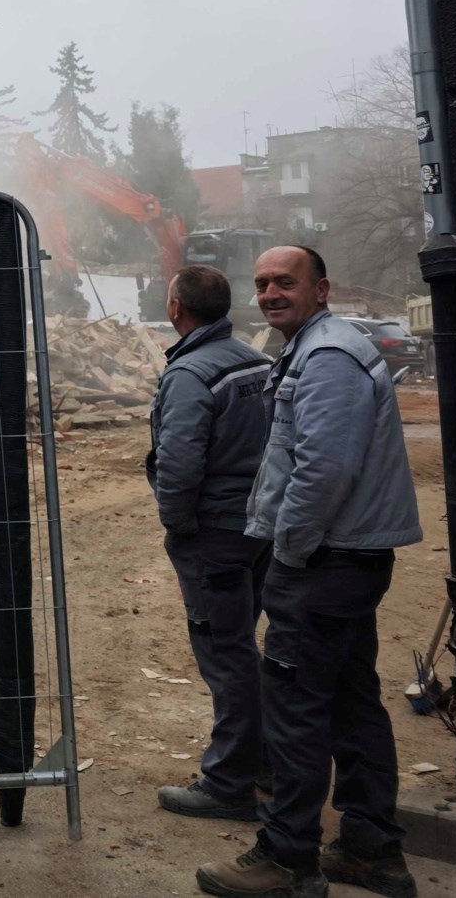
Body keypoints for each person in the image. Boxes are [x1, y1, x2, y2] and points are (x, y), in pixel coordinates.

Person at [195, 246, 423, 898]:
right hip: (342, 560)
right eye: (262, 283)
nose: (270, 293)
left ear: (320, 289)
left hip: (324, 561)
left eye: (285, 282)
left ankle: (288, 859)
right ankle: (371, 850)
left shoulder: (327, 357)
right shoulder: (315, 348)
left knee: (294, 710)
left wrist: (289, 556)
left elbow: (322, 471)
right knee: (351, 702)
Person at [149, 263, 273, 822]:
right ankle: (267, 762)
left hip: (215, 535)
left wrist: (178, 526)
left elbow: (179, 463)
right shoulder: (256, 361)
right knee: (242, 645)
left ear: (177, 307)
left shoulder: (189, 373)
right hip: (260, 526)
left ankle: (229, 784)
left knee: (226, 654)